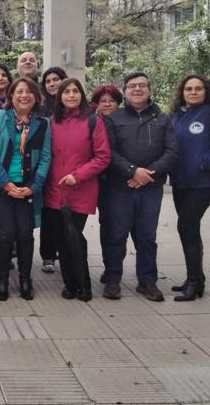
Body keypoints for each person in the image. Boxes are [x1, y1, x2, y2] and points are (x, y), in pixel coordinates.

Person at [0, 77, 51, 301]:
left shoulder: (42, 123)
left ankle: (26, 279)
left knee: (26, 235)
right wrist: (6, 183)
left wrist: (34, 187)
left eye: (29, 92)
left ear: (36, 96)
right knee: (6, 234)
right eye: (19, 91)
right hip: (1, 187)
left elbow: (45, 158)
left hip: (28, 188)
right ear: (11, 96)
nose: (24, 95)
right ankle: (3, 278)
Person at [104, 72, 178, 302]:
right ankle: (113, 279)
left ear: (150, 89)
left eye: (142, 86)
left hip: (150, 187)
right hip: (120, 187)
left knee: (147, 236)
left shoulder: (163, 119)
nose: (137, 89)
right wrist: (132, 171)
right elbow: (109, 153)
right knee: (117, 235)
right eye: (132, 86)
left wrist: (148, 174)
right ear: (124, 91)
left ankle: (147, 281)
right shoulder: (114, 119)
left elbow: (172, 152)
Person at [42, 78, 110, 302]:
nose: (71, 95)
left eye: (75, 91)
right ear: (59, 97)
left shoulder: (93, 121)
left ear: (81, 95)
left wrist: (77, 175)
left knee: (74, 237)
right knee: (61, 240)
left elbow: (102, 157)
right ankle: (70, 285)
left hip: (80, 189)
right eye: (66, 92)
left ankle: (84, 285)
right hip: (54, 191)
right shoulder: (52, 123)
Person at [168, 75, 210, 302]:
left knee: (186, 224)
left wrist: (205, 162)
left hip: (202, 183)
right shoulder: (176, 116)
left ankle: (195, 281)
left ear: (206, 91)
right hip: (180, 182)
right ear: (182, 92)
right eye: (188, 89)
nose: (193, 92)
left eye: (198, 89)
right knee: (188, 228)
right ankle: (195, 278)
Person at [90, 84, 123, 285]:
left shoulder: (124, 122)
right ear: (97, 104)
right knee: (107, 226)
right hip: (97, 180)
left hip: (120, 181)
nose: (108, 104)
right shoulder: (92, 122)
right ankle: (109, 267)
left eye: (112, 100)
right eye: (103, 101)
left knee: (117, 227)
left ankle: (114, 269)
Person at [37, 66, 68, 274]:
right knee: (48, 213)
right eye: (48, 81)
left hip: (68, 168)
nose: (52, 84)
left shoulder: (74, 107)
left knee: (65, 214)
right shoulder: (40, 108)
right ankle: (48, 255)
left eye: (56, 79)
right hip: (44, 167)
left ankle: (65, 252)